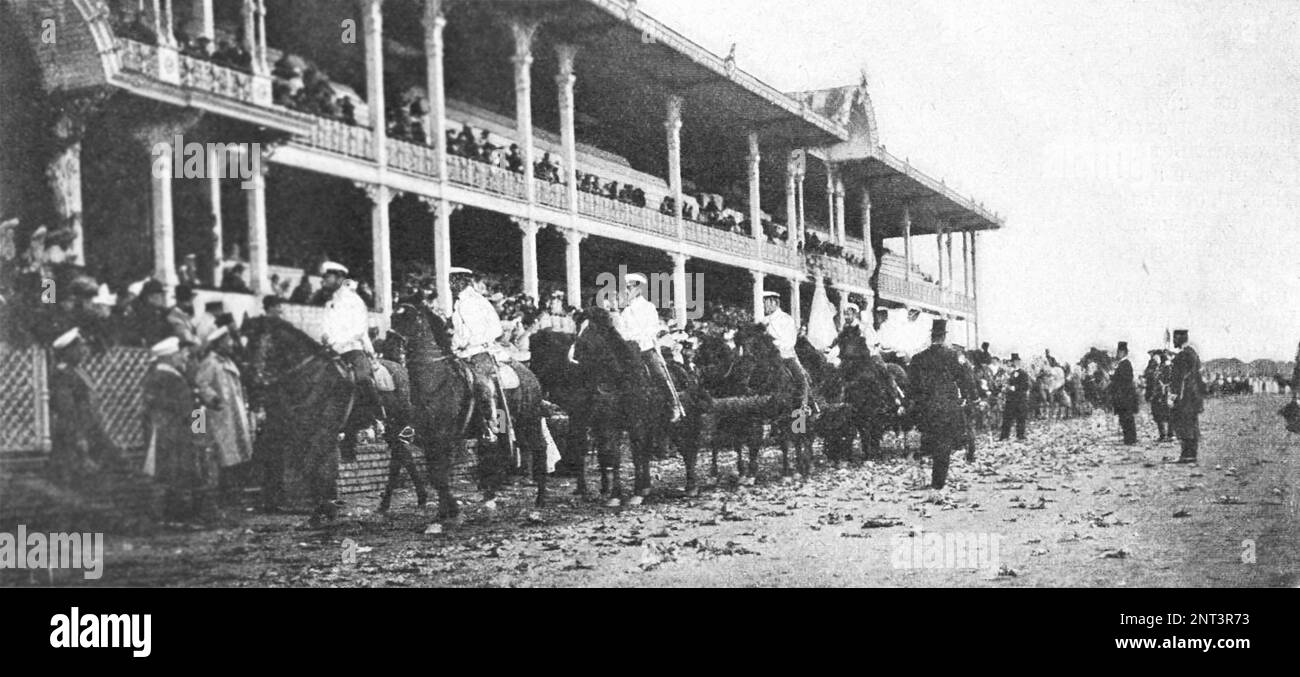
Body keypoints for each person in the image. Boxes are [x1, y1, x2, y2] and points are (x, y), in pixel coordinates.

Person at [143, 336, 217, 521]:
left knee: (181, 474)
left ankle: (180, 516)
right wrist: (198, 433)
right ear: (169, 356)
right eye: (180, 354)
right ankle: (179, 517)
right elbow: (187, 409)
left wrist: (199, 431)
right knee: (177, 475)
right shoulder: (165, 377)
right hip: (174, 434)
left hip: (179, 432)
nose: (184, 358)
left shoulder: (172, 375)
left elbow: (194, 406)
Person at [319, 261, 381, 459]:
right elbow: (326, 328)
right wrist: (326, 338)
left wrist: (337, 342)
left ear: (338, 277)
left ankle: (373, 418)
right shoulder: (329, 303)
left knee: (362, 380)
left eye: (326, 276)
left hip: (351, 350)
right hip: (333, 352)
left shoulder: (353, 300)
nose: (323, 281)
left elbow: (358, 329)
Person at [906, 319, 976, 497]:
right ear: (944, 336)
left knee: (929, 440)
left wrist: (912, 406)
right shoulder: (954, 356)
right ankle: (937, 484)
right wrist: (970, 398)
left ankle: (925, 477)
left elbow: (911, 386)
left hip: (925, 407)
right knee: (944, 444)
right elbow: (967, 380)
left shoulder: (918, 358)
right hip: (947, 405)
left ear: (932, 337)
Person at [48, 328, 119, 486]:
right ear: (68, 351)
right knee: (73, 474)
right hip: (74, 428)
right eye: (79, 348)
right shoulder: (63, 374)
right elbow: (66, 407)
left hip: (88, 426)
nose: (83, 351)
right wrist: (79, 436)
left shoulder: (75, 371)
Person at [194, 326, 254, 499]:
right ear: (219, 343)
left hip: (233, 414)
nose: (232, 345)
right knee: (223, 455)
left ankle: (233, 492)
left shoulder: (228, 362)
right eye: (228, 341)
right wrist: (213, 399)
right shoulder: (211, 362)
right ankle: (223, 493)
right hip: (219, 415)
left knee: (236, 454)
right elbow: (201, 384)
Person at [621, 273, 685, 422]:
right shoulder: (625, 311)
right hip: (630, 350)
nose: (626, 291)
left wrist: (637, 338)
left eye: (629, 288)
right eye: (626, 288)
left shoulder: (649, 307)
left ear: (638, 289)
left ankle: (673, 404)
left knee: (658, 372)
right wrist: (628, 339)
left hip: (646, 348)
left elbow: (652, 329)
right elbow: (622, 332)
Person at [450, 267, 504, 442]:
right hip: (461, 354)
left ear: (463, 281)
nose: (450, 285)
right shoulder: (458, 302)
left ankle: (494, 425)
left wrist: (464, 343)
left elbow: (493, 329)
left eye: (453, 280)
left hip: (479, 351)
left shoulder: (476, 301)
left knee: (483, 385)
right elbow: (459, 331)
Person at [1169, 329, 1204, 463]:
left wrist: (1173, 396)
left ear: (1180, 338)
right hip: (1193, 395)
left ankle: (1187, 455)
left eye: (1175, 338)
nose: (1173, 341)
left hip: (1185, 396)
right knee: (1192, 423)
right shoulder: (1193, 353)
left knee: (1184, 423)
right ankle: (1191, 454)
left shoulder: (1182, 355)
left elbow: (1178, 379)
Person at [1109, 341, 1139, 445]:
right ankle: (1128, 438)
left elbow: (1126, 379)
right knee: (1124, 417)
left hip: (1125, 395)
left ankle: (1130, 439)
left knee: (1127, 417)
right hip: (1123, 395)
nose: (1118, 354)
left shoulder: (1125, 364)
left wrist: (1113, 376)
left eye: (1119, 352)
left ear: (1124, 353)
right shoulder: (1121, 364)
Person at [1000, 353, 1031, 440]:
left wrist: (1015, 387)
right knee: (1007, 417)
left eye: (1016, 361)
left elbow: (1026, 386)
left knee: (1021, 418)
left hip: (1020, 398)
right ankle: (1004, 436)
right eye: (1013, 361)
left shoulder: (1023, 373)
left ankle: (1020, 435)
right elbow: (1007, 383)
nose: (1015, 363)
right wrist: (1005, 387)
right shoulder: (1010, 373)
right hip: (1011, 399)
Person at [1144, 350, 1172, 441]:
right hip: (1159, 393)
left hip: (1163, 393)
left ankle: (1168, 434)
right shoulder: (1158, 368)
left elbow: (1168, 379)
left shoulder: (1166, 368)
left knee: (1165, 413)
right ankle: (1165, 434)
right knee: (1161, 414)